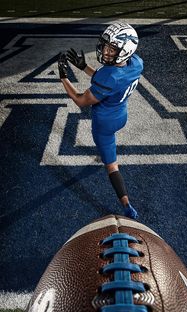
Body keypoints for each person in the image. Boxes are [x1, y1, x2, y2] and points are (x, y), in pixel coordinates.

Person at [58, 22, 143, 219]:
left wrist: (64, 77)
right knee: (109, 144)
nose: (106, 51)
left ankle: (127, 205)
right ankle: (107, 152)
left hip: (103, 124)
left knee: (111, 165)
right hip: (121, 115)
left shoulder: (109, 76)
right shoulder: (136, 62)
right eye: (105, 45)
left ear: (125, 49)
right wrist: (84, 67)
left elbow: (80, 100)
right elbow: (111, 80)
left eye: (112, 48)